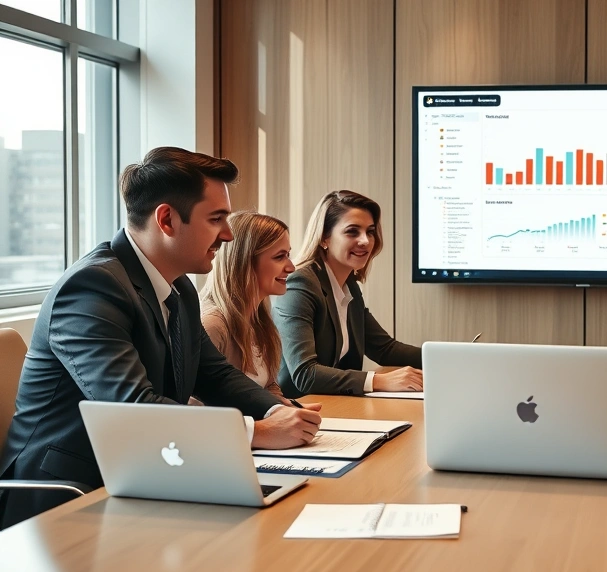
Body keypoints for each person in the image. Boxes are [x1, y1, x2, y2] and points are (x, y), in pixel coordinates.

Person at [0, 147, 321, 529]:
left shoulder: (179, 289)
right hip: (66, 499)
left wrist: (274, 411)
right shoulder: (91, 287)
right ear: (167, 219)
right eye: (216, 218)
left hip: (142, 476)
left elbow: (214, 373)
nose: (229, 234)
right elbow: (133, 408)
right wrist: (257, 433)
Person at [274, 190, 422, 397]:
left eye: (370, 231)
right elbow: (305, 374)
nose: (366, 241)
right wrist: (378, 380)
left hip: (332, 405)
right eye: (352, 231)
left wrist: (446, 357)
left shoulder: (348, 285)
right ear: (324, 237)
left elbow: (383, 349)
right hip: (297, 409)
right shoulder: (300, 284)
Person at [200, 211, 295, 401]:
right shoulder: (211, 325)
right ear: (244, 262)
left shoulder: (260, 321)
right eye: (279, 257)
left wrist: (289, 410)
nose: (291, 267)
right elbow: (197, 407)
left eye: (288, 255)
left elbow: (268, 387)